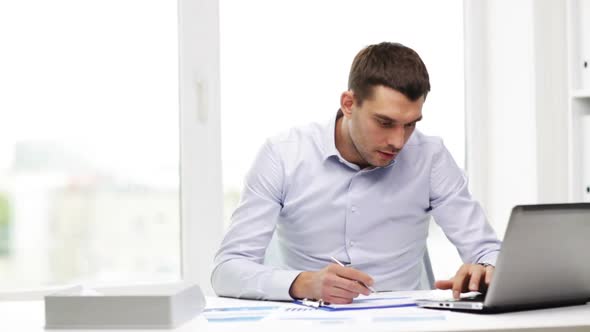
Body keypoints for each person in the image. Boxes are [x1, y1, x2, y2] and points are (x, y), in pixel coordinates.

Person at [211, 42, 501, 304]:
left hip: (404, 321)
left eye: (410, 124)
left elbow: (489, 252)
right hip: (308, 319)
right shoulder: (283, 155)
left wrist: (486, 270)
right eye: (385, 123)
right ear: (348, 104)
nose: (399, 141)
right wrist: (302, 283)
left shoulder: (431, 157)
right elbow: (228, 270)